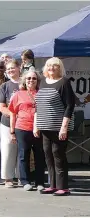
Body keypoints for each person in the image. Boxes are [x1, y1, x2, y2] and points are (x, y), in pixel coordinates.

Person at [34, 57, 75, 196]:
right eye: (49, 65)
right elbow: (39, 105)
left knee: (58, 154)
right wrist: (37, 125)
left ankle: (63, 187)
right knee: (48, 155)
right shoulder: (43, 83)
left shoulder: (64, 83)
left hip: (58, 127)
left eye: (55, 66)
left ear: (60, 68)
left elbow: (70, 106)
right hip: (45, 126)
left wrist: (64, 127)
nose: (51, 68)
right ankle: (52, 185)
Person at [8, 69, 45, 191]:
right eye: (28, 78)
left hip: (39, 128)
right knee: (23, 155)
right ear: (24, 80)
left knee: (40, 155)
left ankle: (40, 182)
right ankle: (25, 181)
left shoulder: (41, 93)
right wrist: (12, 131)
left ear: (37, 81)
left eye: (34, 78)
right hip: (22, 128)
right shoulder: (18, 94)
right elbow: (12, 113)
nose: (31, 80)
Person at [0, 59, 22, 188]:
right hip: (7, 123)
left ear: (19, 68)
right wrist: (13, 115)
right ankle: (8, 178)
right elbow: (1, 106)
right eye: (8, 69)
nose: (11, 70)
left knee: (23, 150)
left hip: (24, 123)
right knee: (8, 149)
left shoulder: (26, 83)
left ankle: (22, 176)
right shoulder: (4, 86)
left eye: (13, 68)